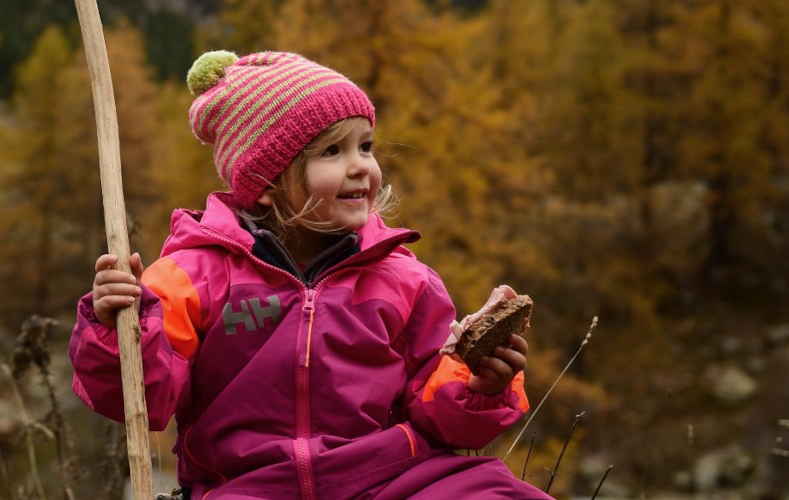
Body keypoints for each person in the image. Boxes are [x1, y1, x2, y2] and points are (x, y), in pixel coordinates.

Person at [72, 50, 547, 499]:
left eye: (365, 146)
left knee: (492, 490)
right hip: (252, 486)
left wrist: (480, 387)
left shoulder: (406, 281)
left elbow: (440, 418)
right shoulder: (192, 276)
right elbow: (141, 400)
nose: (361, 166)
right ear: (266, 184)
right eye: (332, 152)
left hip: (387, 479)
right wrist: (114, 331)